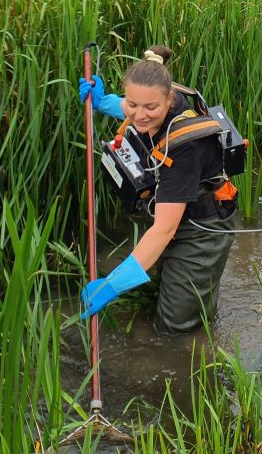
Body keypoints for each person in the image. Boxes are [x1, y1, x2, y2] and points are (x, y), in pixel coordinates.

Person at [77, 46, 238, 335]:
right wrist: (102, 102)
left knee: (174, 327)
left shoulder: (184, 150)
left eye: (150, 108)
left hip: (203, 230)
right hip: (177, 211)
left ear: (169, 99)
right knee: (168, 292)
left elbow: (164, 229)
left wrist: (112, 285)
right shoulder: (151, 101)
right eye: (133, 104)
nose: (139, 116)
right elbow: (133, 108)